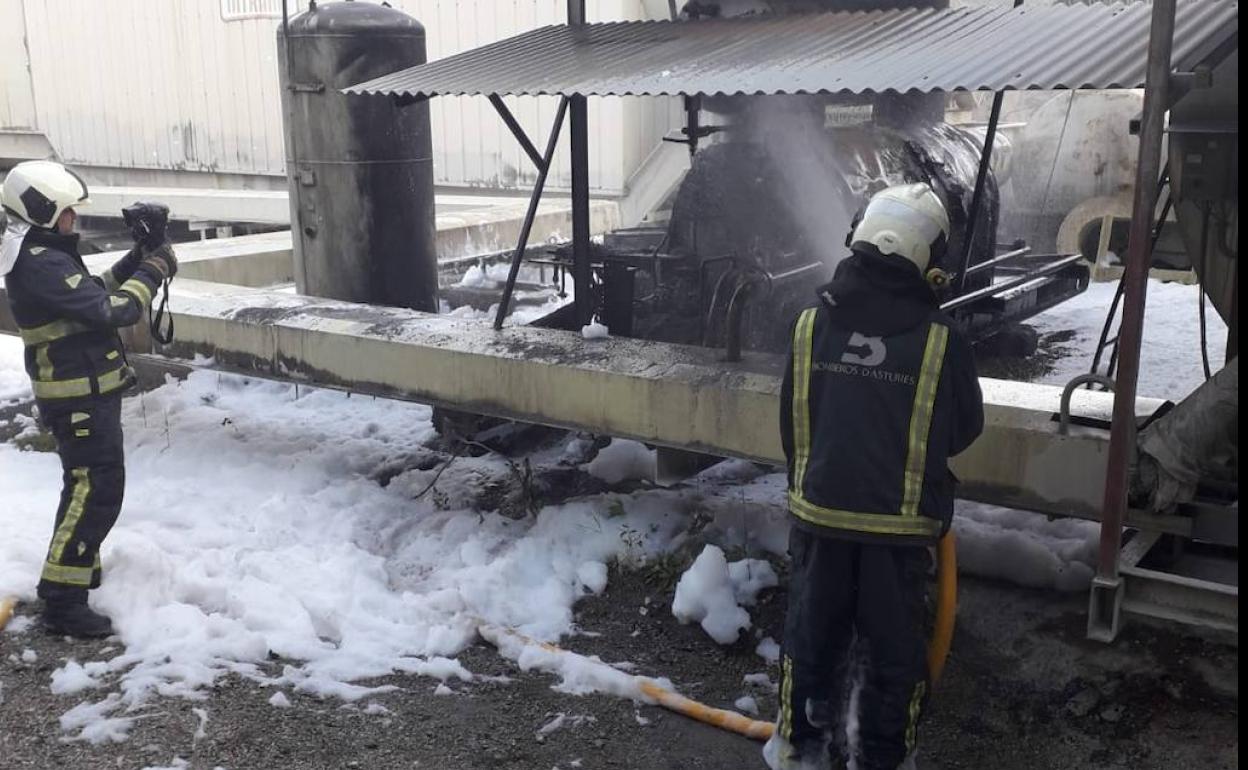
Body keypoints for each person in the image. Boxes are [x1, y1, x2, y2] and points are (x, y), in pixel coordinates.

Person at [764, 183, 984, 770]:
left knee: (811, 639)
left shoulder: (809, 324)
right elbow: (963, 431)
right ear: (927, 262)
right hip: (900, 531)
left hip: (819, 519)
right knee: (894, 654)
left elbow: (792, 417)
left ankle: (799, 748)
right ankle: (883, 758)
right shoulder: (943, 342)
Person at [1, 160, 177, 638]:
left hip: (86, 392)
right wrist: (154, 269)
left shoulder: (41, 250)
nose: (73, 221)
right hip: (77, 396)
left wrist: (137, 257)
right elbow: (112, 309)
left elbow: (91, 292)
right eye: (67, 213)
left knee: (86, 489)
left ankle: (75, 573)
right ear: (41, 210)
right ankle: (62, 601)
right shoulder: (40, 261)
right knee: (96, 491)